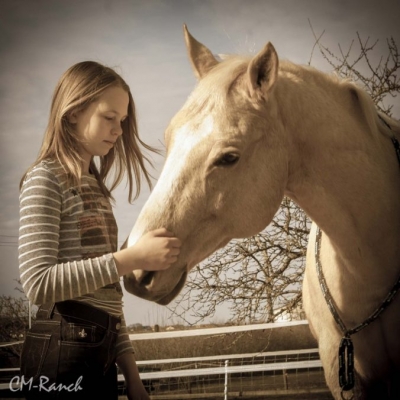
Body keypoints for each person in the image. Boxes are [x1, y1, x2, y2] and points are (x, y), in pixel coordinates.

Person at [18, 61, 181, 400]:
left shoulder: (96, 189)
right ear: (74, 111)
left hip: (101, 354)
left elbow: (108, 298)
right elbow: (38, 284)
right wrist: (130, 258)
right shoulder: (44, 179)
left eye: (122, 121)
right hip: (60, 353)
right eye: (109, 117)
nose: (119, 130)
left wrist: (132, 379)